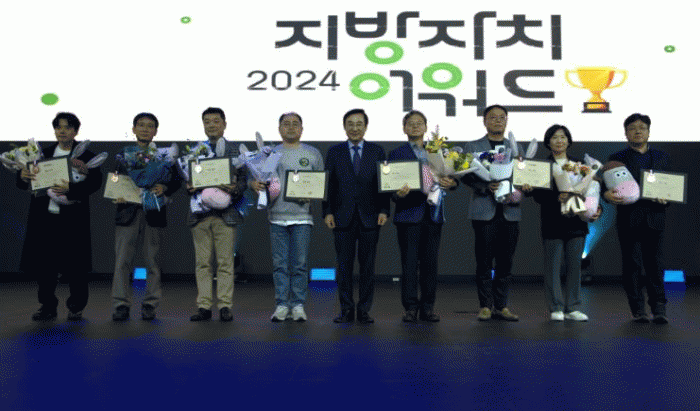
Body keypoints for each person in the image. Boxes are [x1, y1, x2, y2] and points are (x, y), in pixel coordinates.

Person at [18, 112, 102, 321]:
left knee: (76, 267)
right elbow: (23, 181)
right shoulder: (42, 153)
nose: (62, 131)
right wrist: (22, 175)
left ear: (76, 131)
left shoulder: (86, 156)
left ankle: (76, 307)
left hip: (73, 221)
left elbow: (95, 183)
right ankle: (47, 306)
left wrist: (71, 189)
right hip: (45, 219)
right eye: (58, 127)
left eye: (67, 127)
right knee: (45, 266)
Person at [250, 112, 324, 322]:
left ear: (302, 128)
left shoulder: (313, 153)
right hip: (277, 216)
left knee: (300, 264)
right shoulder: (271, 154)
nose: (291, 127)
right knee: (280, 265)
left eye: (295, 124)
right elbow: (260, 179)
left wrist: (311, 193)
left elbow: (319, 183)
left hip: (302, 217)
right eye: (286, 124)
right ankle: (282, 304)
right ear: (279, 128)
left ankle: (298, 305)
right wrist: (253, 184)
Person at [462, 105, 531, 322]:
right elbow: (465, 176)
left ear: (506, 121)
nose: (498, 121)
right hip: (484, 210)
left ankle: (501, 306)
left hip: (510, 211)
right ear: (485, 121)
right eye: (493, 117)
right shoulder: (473, 146)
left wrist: (526, 186)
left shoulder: (516, 147)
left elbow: (523, 174)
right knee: (483, 261)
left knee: (505, 262)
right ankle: (485, 305)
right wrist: (485, 187)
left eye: (502, 117)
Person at [388, 110, 457, 323]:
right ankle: (410, 307)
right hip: (408, 214)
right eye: (410, 123)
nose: (415, 126)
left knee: (430, 264)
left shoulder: (438, 151)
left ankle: (428, 307)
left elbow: (454, 178)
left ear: (426, 127)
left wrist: (452, 182)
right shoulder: (396, 154)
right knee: (409, 265)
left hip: (433, 214)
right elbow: (389, 185)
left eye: (419, 123)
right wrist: (396, 194)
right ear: (404, 128)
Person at [322, 109, 390, 324]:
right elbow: (328, 185)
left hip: (371, 217)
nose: (354, 128)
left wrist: (384, 210)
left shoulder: (377, 151)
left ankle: (364, 310)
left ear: (366, 127)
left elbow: (383, 184)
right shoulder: (334, 151)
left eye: (359, 124)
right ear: (344, 127)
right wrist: (327, 212)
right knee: (344, 267)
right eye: (350, 124)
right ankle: (346, 309)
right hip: (342, 216)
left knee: (368, 267)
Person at [111, 113, 181, 321]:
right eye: (140, 125)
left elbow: (176, 180)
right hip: (127, 213)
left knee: (153, 261)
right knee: (122, 261)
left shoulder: (164, 156)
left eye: (150, 126)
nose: (145, 129)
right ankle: (121, 304)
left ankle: (150, 304)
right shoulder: (123, 155)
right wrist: (116, 193)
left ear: (155, 131)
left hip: (154, 212)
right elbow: (115, 180)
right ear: (133, 129)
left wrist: (165, 187)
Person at [604, 113, 670, 324]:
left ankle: (659, 308)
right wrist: (607, 195)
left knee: (655, 265)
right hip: (629, 218)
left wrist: (666, 199)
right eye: (632, 128)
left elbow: (670, 187)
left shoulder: (662, 157)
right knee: (632, 265)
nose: (638, 131)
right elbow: (606, 187)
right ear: (626, 133)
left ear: (649, 132)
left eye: (642, 127)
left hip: (655, 217)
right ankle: (638, 309)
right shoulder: (616, 158)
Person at [533, 125, 601, 322]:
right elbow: (537, 195)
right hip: (553, 222)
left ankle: (573, 307)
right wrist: (557, 197)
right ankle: (556, 307)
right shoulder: (544, 165)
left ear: (569, 141)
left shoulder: (581, 165)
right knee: (552, 267)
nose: (559, 141)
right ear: (548, 142)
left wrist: (595, 210)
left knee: (575, 267)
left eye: (563, 137)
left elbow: (592, 189)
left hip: (576, 222)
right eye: (554, 137)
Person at [187, 107, 248, 322]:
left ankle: (224, 305)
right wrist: (190, 186)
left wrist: (234, 188)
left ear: (224, 124)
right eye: (207, 121)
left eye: (216, 121)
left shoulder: (236, 151)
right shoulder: (195, 151)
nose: (211, 125)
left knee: (225, 263)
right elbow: (187, 180)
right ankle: (204, 306)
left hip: (226, 214)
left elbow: (243, 182)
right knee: (202, 263)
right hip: (200, 215)